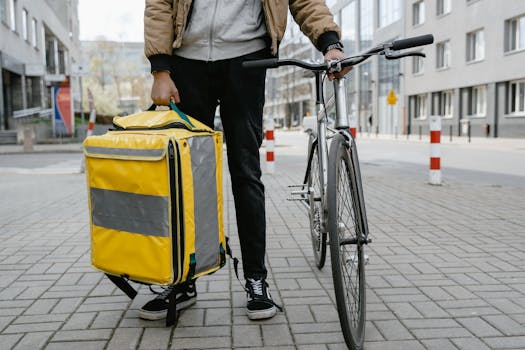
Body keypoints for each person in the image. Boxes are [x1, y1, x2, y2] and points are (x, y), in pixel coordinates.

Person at [139, 0, 350, 322]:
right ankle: (183, 279)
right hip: (187, 63)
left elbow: (306, 2)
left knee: (246, 172)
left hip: (248, 60)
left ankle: (256, 279)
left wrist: (329, 43)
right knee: (187, 180)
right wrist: (160, 69)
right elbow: (159, 5)